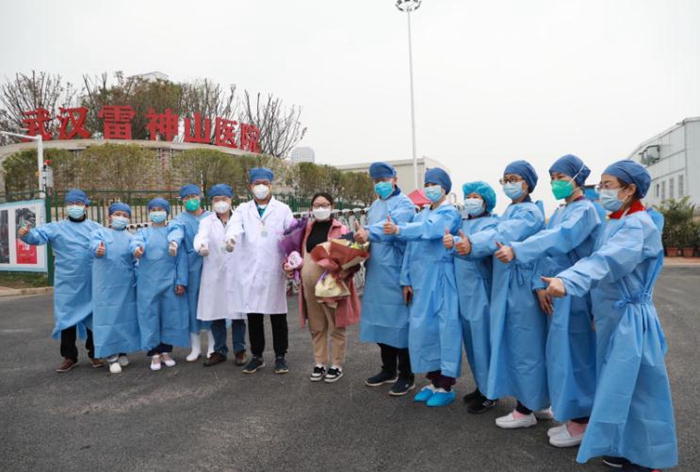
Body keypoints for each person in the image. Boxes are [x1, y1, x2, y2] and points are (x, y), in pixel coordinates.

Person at [542, 160, 678, 471]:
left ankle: (647, 459)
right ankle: (626, 446)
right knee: (617, 385)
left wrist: (568, 280)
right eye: (601, 185)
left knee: (640, 388)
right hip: (613, 316)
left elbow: (606, 262)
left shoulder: (637, 225)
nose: (601, 190)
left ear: (630, 190)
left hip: (631, 317)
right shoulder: (616, 221)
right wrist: (596, 311)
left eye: (608, 185)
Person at [494, 154, 601, 447]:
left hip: (575, 294)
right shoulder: (562, 211)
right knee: (561, 356)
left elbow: (558, 238)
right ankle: (572, 417)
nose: (555, 183)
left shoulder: (585, 211)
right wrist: (539, 284)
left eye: (561, 177)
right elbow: (547, 251)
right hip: (557, 291)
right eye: (552, 178)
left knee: (577, 357)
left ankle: (582, 422)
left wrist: (517, 250)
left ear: (578, 179)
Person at [454, 160, 550, 427]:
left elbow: (503, 233)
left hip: (520, 286)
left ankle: (526, 409)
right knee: (517, 346)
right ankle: (534, 402)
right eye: (505, 179)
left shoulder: (529, 212)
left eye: (514, 179)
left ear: (528, 183)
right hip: (509, 285)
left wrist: (473, 242)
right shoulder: (513, 210)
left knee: (526, 347)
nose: (508, 184)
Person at [383, 168, 462, 407]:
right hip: (420, 281)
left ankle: (446, 385)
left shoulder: (449, 213)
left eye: (434, 184)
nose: (429, 188)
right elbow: (411, 248)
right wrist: (406, 279)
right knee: (423, 330)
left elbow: (430, 229)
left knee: (444, 330)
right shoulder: (421, 214)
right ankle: (433, 380)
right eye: (426, 184)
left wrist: (399, 229)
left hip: (441, 279)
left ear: (445, 188)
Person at [18, 189, 104, 373]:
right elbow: (36, 236)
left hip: (90, 281)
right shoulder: (56, 227)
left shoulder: (96, 228)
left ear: (86, 206)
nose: (74, 207)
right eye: (71, 204)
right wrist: (25, 234)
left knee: (93, 317)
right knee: (67, 318)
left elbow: (107, 246)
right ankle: (69, 356)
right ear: (66, 206)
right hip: (67, 282)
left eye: (78, 204)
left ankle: (95, 353)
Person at [354, 162, 417, 396]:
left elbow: (391, 227)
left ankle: (406, 374)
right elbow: (368, 234)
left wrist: (369, 232)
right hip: (376, 271)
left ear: (395, 179)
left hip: (396, 271)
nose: (380, 184)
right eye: (376, 180)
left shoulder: (405, 204)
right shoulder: (374, 205)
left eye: (384, 179)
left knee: (400, 324)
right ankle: (388, 369)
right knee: (380, 321)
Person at [226, 168, 295, 375]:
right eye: (257, 184)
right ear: (251, 187)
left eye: (265, 183)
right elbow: (234, 226)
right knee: (254, 314)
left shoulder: (282, 209)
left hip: (274, 267)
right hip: (250, 269)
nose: (261, 187)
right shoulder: (243, 209)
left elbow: (292, 234)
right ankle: (257, 356)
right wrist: (231, 238)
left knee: (277, 314)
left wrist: (291, 260)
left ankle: (280, 356)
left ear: (271, 186)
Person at [289, 192, 361, 383]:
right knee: (316, 326)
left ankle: (336, 365)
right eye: (317, 205)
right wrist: (291, 265)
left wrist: (341, 272)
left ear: (332, 206)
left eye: (325, 205)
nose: (320, 208)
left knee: (336, 325)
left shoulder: (341, 228)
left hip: (332, 286)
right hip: (309, 286)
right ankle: (319, 362)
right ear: (311, 208)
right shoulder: (306, 229)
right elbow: (297, 254)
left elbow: (352, 259)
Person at [443, 181, 500, 414]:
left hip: (480, 289)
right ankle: (481, 386)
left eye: (477, 197)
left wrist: (458, 242)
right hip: (464, 291)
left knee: (483, 343)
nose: (471, 200)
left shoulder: (492, 223)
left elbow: (483, 243)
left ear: (487, 201)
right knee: (472, 344)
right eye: (469, 196)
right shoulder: (463, 223)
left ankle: (491, 393)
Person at [131, 198, 189, 371]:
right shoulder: (143, 233)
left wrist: (181, 281)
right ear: (149, 212)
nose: (157, 212)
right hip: (148, 283)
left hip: (169, 281)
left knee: (169, 316)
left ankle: (165, 351)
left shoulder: (173, 232)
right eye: (154, 209)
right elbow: (135, 243)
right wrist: (137, 250)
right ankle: (154, 353)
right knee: (149, 316)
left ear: (167, 212)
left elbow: (181, 259)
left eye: (160, 209)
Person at [193, 184, 247, 367]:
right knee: (216, 313)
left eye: (224, 199)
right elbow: (201, 236)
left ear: (231, 200)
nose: (220, 203)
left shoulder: (240, 219)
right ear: (211, 202)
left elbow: (243, 236)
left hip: (237, 272)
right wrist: (201, 247)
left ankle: (240, 350)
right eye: (216, 200)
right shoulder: (206, 221)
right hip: (214, 272)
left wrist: (232, 240)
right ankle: (219, 351)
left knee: (238, 314)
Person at [167, 184, 216, 362]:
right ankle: (195, 348)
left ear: (200, 197)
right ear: (182, 201)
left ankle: (213, 346)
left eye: (193, 196)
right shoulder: (180, 220)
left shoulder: (211, 217)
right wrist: (173, 242)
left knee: (212, 305)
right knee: (192, 307)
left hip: (211, 263)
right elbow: (176, 232)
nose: (190, 200)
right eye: (186, 198)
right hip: (191, 268)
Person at [90, 202, 139, 374]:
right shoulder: (99, 234)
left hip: (126, 284)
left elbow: (135, 260)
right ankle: (111, 357)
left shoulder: (131, 237)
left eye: (125, 215)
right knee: (107, 320)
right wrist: (97, 250)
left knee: (125, 319)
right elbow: (94, 246)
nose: (121, 218)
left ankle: (123, 351)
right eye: (117, 214)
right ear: (109, 217)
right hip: (105, 285)